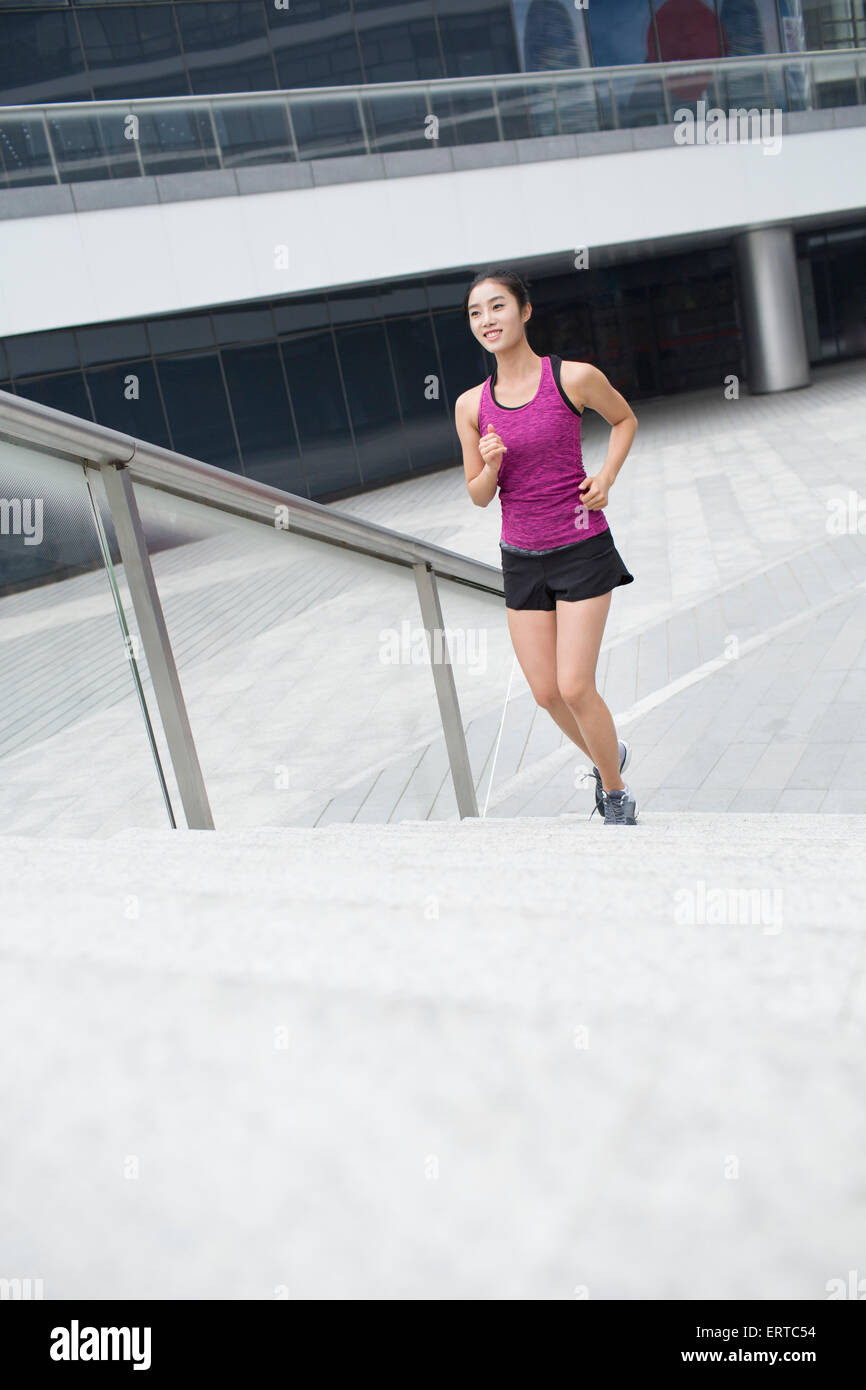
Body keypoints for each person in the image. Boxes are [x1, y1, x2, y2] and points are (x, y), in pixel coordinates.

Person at [454, 268, 639, 825]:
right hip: (521, 558)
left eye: (497, 307)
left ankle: (614, 793)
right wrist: (490, 465)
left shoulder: (573, 378)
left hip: (582, 547)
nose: (487, 320)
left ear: (525, 311)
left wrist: (605, 477)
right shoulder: (470, 405)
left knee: (575, 684)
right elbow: (479, 496)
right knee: (544, 693)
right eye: (475, 313)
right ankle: (611, 756)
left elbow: (624, 419)